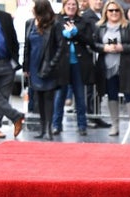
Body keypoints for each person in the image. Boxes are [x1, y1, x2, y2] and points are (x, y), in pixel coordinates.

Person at [92, 1, 130, 137]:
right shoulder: (99, 27)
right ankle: (115, 125)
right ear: (106, 12)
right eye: (110, 10)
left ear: (121, 12)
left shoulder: (128, 26)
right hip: (107, 67)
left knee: (129, 95)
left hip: (125, 66)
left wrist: (122, 48)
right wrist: (104, 48)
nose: (114, 13)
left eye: (116, 10)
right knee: (111, 95)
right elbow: (93, 44)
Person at [23, 0, 66, 140]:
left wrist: (52, 64)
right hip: (34, 67)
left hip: (48, 66)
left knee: (48, 98)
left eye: (34, 6)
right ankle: (42, 128)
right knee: (38, 99)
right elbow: (27, 47)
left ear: (40, 8)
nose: (32, 8)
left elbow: (61, 46)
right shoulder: (29, 23)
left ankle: (49, 129)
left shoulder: (55, 24)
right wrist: (26, 66)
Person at [52, 0, 94, 136]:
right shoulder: (57, 20)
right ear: (64, 6)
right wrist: (64, 35)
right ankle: (56, 124)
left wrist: (76, 33)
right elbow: (52, 39)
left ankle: (82, 125)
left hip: (78, 63)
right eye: (68, 5)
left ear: (77, 7)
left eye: (73, 5)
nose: (71, 7)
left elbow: (89, 40)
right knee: (60, 96)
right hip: (62, 63)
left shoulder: (83, 21)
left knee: (80, 96)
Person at [0, 8, 25, 139]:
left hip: (6, 63)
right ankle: (16, 116)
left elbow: (13, 39)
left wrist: (15, 59)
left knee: (3, 96)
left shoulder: (4, 17)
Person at [81, 0, 111, 128]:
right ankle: (90, 116)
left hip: (100, 56)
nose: (99, 2)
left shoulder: (103, 15)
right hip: (90, 56)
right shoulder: (86, 16)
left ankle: (96, 115)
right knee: (89, 90)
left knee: (98, 89)